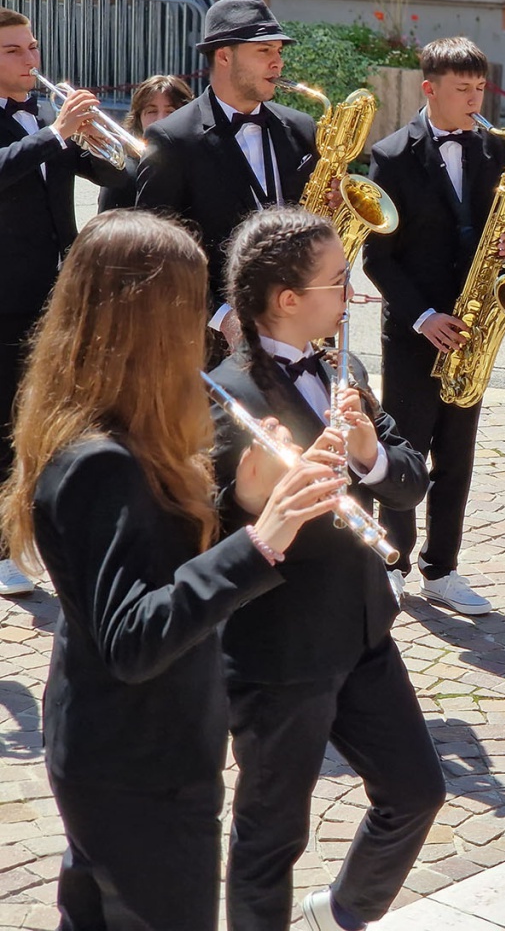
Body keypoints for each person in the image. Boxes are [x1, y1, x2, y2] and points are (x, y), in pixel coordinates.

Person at [0, 210, 341, 931]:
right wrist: (263, 540)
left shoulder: (125, 434)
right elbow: (133, 637)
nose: (209, 330)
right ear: (147, 323)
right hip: (134, 762)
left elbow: (155, 559)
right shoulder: (99, 461)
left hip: (128, 747)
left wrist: (244, 504)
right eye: (192, 308)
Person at [207, 207, 438, 931]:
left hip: (364, 629)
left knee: (416, 792)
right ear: (287, 299)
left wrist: (371, 454)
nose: (351, 293)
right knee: (271, 836)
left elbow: (410, 481)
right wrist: (248, 501)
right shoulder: (223, 393)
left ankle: (339, 916)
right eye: (338, 281)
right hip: (281, 650)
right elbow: (200, 531)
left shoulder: (347, 368)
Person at [364, 35, 505, 615]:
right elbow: (377, 259)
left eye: (480, 87)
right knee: (406, 451)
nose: (475, 100)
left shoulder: (498, 150)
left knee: (458, 455)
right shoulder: (390, 155)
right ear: (429, 89)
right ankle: (394, 562)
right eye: (463, 89)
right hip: (417, 330)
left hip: (474, 326)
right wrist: (425, 317)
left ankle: (443, 568)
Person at [0, 7, 130, 596]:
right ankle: (4, 548)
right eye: (14, 51)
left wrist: (100, 136)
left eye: (32, 47)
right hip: (6, 295)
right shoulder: (44, 128)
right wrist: (56, 133)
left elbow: (113, 176)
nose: (31, 60)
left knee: (59, 417)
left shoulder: (44, 118)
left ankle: (49, 535)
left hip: (60, 293)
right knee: (6, 419)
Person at [135, 0, 317, 348]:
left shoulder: (301, 128)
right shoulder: (172, 138)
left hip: (296, 328)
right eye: (264, 51)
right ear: (224, 56)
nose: (278, 62)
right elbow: (155, 251)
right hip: (210, 341)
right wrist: (221, 317)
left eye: (279, 51)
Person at [97, 73, 193, 212]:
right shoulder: (124, 175)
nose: (160, 119)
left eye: (170, 111)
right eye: (152, 111)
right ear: (138, 120)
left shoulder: (198, 165)